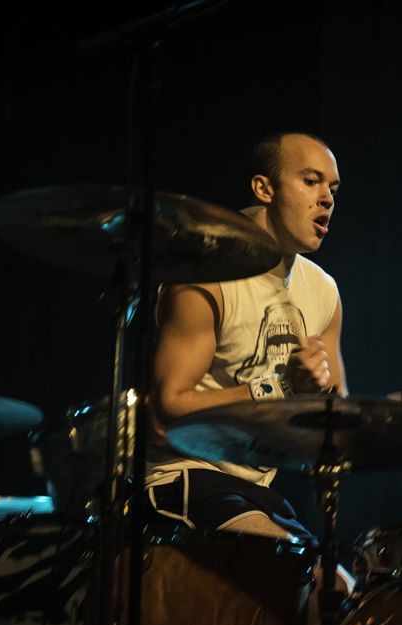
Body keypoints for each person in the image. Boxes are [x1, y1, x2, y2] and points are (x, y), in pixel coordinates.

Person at [144, 132, 345, 547]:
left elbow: (332, 422)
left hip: (258, 492)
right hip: (183, 478)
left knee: (343, 590)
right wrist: (280, 387)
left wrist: (382, 419)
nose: (327, 198)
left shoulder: (324, 293)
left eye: (333, 188)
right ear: (263, 188)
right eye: (311, 181)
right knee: (295, 569)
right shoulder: (208, 275)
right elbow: (168, 411)